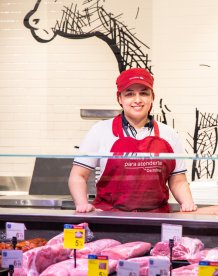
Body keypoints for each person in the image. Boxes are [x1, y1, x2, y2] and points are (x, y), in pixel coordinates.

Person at [68, 68, 197, 213]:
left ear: (152, 97)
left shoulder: (169, 134)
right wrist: (82, 204)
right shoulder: (100, 131)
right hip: (110, 217)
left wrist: (187, 204)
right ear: (120, 99)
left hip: (156, 218)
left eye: (144, 93)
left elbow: (177, 180)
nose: (137, 100)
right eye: (130, 94)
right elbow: (78, 175)